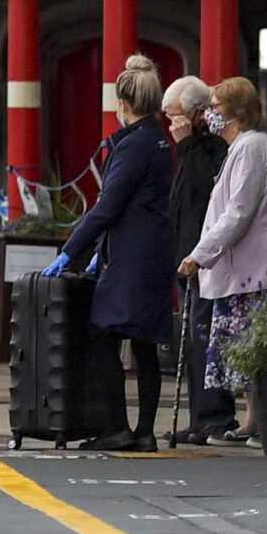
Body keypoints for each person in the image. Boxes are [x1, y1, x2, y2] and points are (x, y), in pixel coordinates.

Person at [47, 55, 176, 451]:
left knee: (102, 333)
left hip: (130, 260)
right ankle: (146, 432)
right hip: (154, 254)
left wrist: (70, 252)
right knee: (145, 343)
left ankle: (117, 427)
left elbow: (107, 207)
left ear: (124, 103)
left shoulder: (133, 145)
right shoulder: (159, 141)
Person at [179, 74, 267, 441]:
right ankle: (254, 421)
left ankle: (265, 423)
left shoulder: (253, 149)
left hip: (265, 270)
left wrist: (199, 254)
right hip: (255, 269)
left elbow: (238, 212)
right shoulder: (244, 148)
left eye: (216, 108)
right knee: (250, 349)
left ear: (236, 113)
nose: (210, 115)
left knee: (262, 348)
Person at [163, 76, 235, 444]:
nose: (171, 123)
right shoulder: (187, 143)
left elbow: (210, 187)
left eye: (175, 115)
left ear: (194, 114)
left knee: (206, 335)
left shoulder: (211, 143)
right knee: (192, 338)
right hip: (186, 251)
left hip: (206, 253)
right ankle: (198, 416)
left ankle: (215, 415)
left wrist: (186, 144)